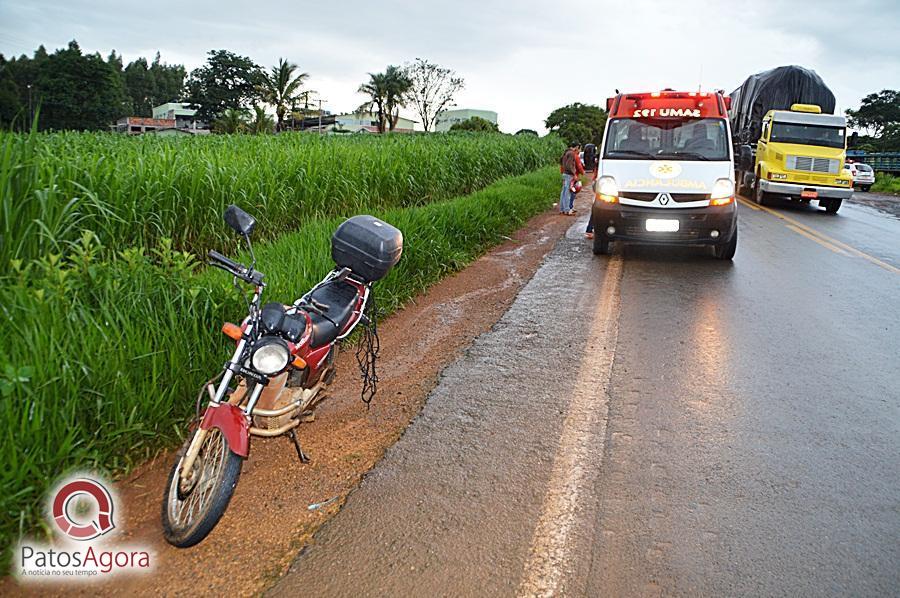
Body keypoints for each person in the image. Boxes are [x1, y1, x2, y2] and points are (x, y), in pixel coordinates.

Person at [559, 142, 579, 215]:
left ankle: (562, 209)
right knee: (567, 192)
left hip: (564, 174)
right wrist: (574, 173)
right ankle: (567, 210)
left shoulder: (566, 152)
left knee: (563, 192)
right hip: (568, 174)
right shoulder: (571, 153)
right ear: (576, 147)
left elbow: (562, 163)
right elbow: (569, 165)